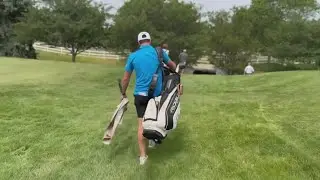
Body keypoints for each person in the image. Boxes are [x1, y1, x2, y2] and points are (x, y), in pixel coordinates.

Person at [120, 32, 177, 165]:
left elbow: (126, 78)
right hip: (156, 95)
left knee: (141, 124)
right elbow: (172, 66)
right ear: (150, 41)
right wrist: (175, 70)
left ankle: (143, 157)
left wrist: (123, 93)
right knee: (156, 119)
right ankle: (153, 141)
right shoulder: (160, 52)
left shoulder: (133, 56)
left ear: (139, 42)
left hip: (140, 95)